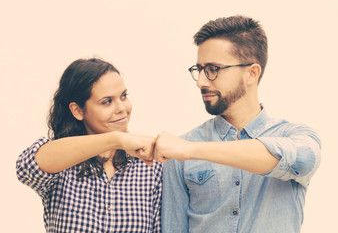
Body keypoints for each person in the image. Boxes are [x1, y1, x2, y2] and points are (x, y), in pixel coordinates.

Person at [155, 15, 321, 233]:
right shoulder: (180, 152)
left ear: (252, 73)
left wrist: (190, 150)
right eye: (199, 69)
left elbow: (302, 160)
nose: (201, 82)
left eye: (213, 69)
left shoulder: (295, 135)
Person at [16, 58, 162, 233]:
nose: (121, 108)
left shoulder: (150, 168)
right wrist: (116, 139)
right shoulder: (62, 164)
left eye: (123, 96)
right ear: (78, 111)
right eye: (107, 101)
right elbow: (27, 167)